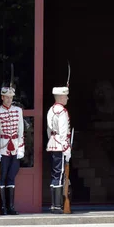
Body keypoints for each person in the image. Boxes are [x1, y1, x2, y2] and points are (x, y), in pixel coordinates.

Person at [0, 85, 25, 215]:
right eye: (7, 97)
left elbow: (21, 130)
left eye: (11, 97)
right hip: (2, 147)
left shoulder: (18, 111)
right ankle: (2, 207)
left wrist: (21, 148)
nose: (9, 100)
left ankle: (11, 207)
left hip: (14, 147)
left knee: (11, 177)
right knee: (1, 177)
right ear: (2, 97)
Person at [46, 86, 71, 214]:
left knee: (55, 173)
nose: (67, 98)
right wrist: (66, 149)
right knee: (60, 174)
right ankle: (57, 205)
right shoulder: (62, 111)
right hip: (60, 145)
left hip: (53, 143)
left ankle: (54, 205)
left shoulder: (51, 110)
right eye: (65, 96)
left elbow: (49, 131)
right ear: (61, 97)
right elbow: (63, 132)